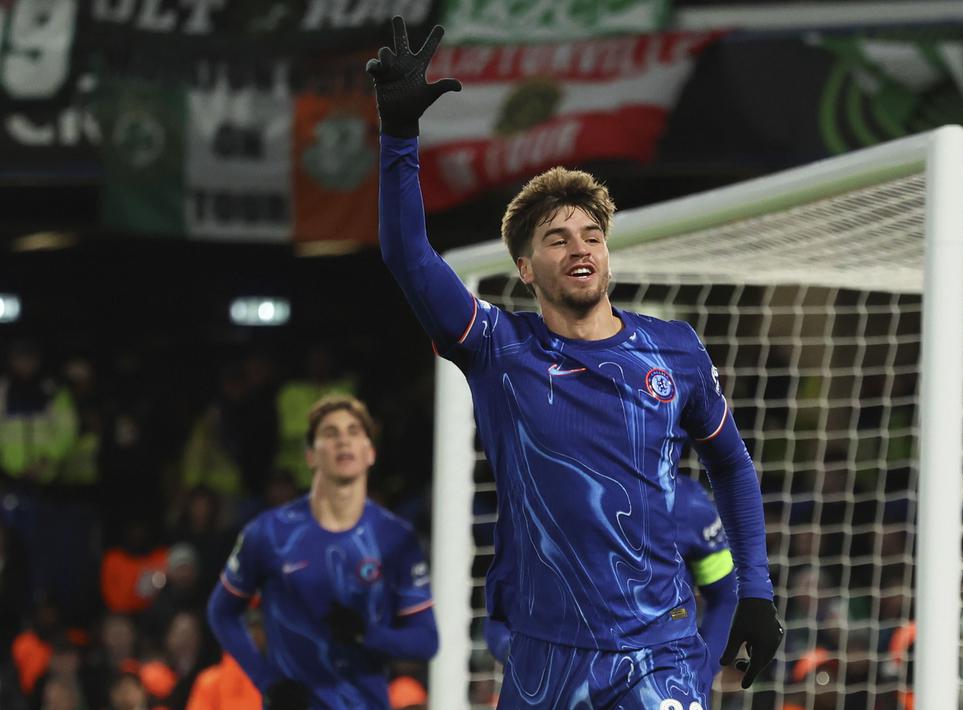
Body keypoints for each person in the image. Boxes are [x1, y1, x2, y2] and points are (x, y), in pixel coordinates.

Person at [367, 17, 783, 706]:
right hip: (544, 657)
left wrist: (755, 592)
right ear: (526, 269)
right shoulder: (499, 346)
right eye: (557, 239)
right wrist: (399, 139)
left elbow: (731, 465)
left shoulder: (672, 348)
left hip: (659, 650)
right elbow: (407, 257)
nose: (580, 246)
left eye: (591, 234)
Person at [206, 394, 437, 709]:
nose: (344, 440)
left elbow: (426, 641)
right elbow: (221, 612)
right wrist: (267, 681)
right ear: (311, 456)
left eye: (354, 432)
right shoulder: (268, 532)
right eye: (331, 433)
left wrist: (367, 635)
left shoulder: (395, 538)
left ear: (370, 453)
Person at [485, 474, 739, 686]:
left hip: (658, 686)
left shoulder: (684, 503)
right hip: (562, 688)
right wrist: (521, 659)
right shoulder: (539, 501)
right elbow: (501, 615)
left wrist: (700, 671)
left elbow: (726, 596)